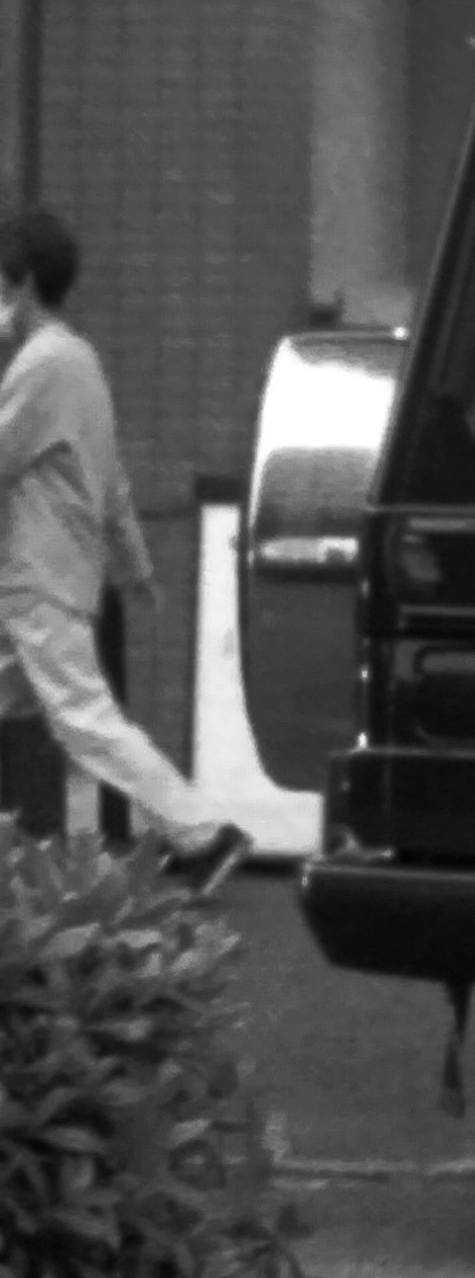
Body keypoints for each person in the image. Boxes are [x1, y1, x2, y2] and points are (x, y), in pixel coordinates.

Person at [0, 203, 249, 888]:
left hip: (33, 572)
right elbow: (109, 480)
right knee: (21, 702)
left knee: (83, 717)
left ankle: (202, 832)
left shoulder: (41, 365)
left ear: (19, 284)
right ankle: (28, 859)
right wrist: (134, 564)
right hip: (59, 569)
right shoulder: (79, 360)